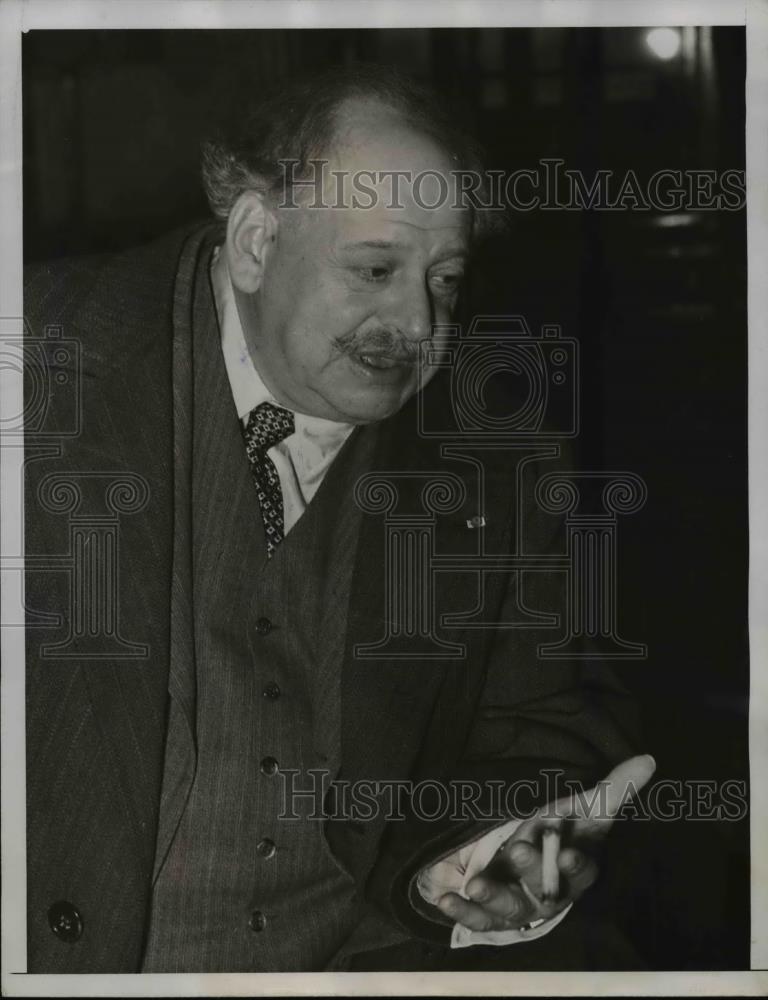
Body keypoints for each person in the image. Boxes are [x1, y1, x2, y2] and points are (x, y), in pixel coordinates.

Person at [23, 64, 652, 973]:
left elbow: (539, 723)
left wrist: (485, 852)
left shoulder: (499, 454)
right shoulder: (39, 369)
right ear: (253, 240)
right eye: (374, 268)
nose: (417, 321)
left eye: (445, 278)